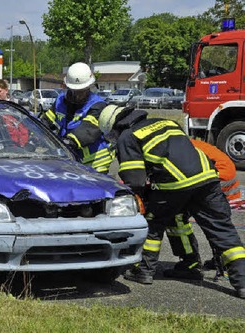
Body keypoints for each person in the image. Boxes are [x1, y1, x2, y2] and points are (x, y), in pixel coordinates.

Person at [98, 104, 245, 299]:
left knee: (153, 223)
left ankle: (143, 271)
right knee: (222, 230)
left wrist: (139, 196)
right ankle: (241, 282)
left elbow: (135, 180)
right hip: (208, 178)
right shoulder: (166, 122)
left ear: (114, 127)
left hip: (175, 184)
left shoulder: (129, 136)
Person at [40, 62, 113, 173]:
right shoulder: (60, 101)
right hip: (69, 161)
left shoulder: (98, 105)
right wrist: (33, 135)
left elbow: (87, 131)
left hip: (95, 166)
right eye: (75, 91)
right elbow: (45, 122)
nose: (78, 95)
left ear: (89, 87)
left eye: (82, 91)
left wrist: (66, 143)